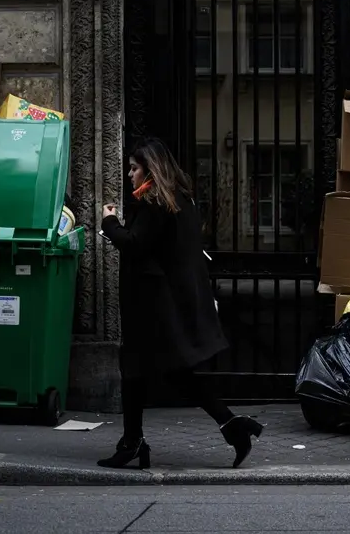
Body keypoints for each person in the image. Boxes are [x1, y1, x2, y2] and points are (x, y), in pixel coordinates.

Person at [97, 137, 263, 470]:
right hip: (161, 301)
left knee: (135, 369)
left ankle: (133, 443)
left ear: (150, 169)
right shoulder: (177, 200)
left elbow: (135, 244)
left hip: (151, 304)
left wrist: (109, 222)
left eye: (133, 168)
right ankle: (232, 427)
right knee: (170, 373)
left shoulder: (155, 202)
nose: (129, 174)